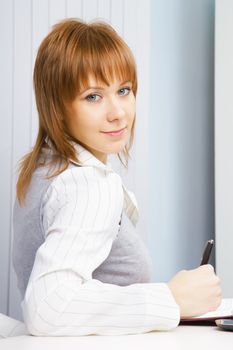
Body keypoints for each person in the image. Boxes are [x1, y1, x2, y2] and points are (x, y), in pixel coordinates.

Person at [12, 18, 221, 337]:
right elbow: (49, 307)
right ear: (57, 106)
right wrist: (171, 299)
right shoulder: (88, 184)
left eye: (123, 90)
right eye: (93, 97)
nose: (118, 112)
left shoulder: (43, 168)